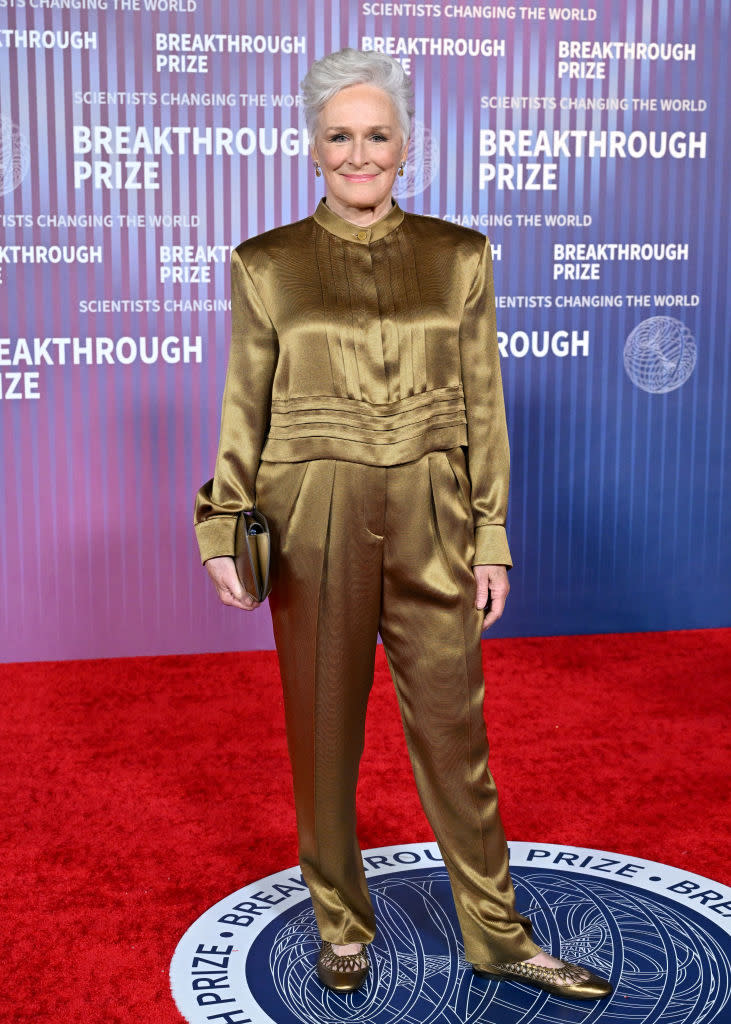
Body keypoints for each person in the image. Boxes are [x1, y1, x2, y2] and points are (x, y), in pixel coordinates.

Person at [194, 47, 612, 1001]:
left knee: (456, 736)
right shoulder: (264, 264)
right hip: (311, 517)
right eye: (338, 135)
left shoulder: (459, 255)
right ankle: (340, 923)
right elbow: (241, 408)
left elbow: (482, 408)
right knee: (323, 734)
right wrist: (224, 527)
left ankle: (498, 934)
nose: (357, 153)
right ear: (311, 147)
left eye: (375, 134)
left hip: (433, 515)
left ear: (406, 144)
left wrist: (490, 536)